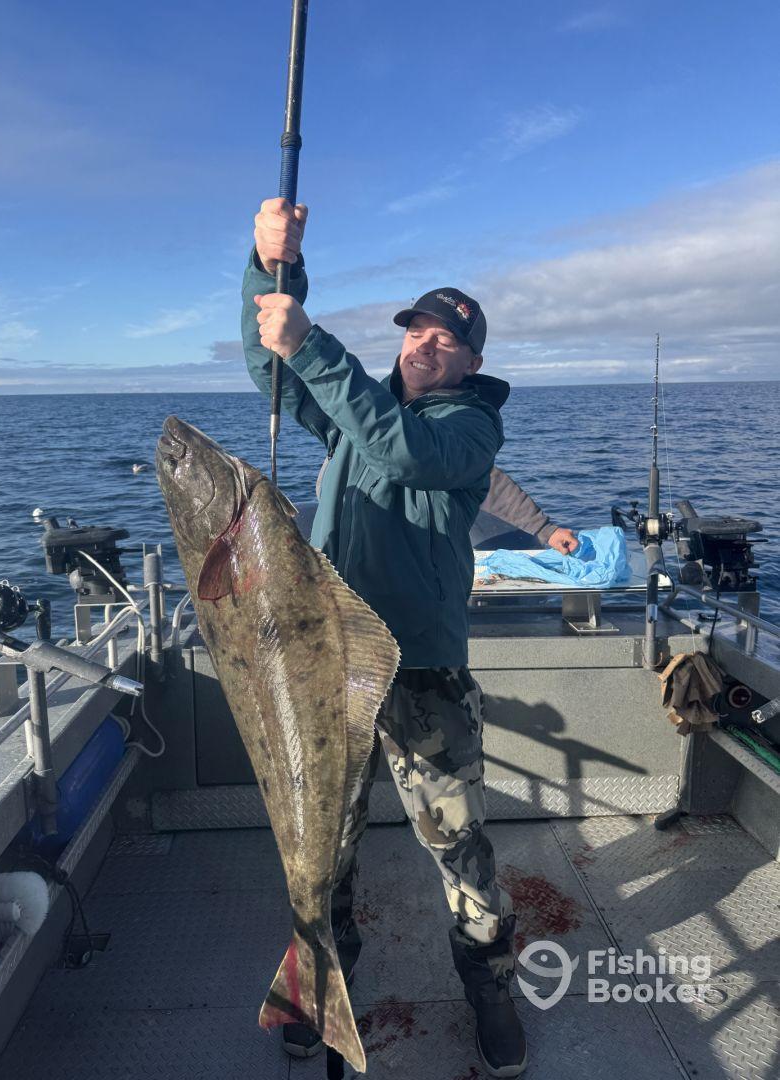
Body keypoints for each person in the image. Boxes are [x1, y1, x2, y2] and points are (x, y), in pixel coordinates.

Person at [241, 197, 576, 1078]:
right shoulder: (357, 414)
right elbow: (270, 367)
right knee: (326, 845)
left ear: (471, 362)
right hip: (332, 664)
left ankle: (489, 984)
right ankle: (324, 980)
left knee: (458, 846)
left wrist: (312, 343)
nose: (424, 344)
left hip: (421, 672)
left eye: (445, 340)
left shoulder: (467, 427)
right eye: (416, 330)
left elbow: (404, 454)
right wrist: (271, 267)